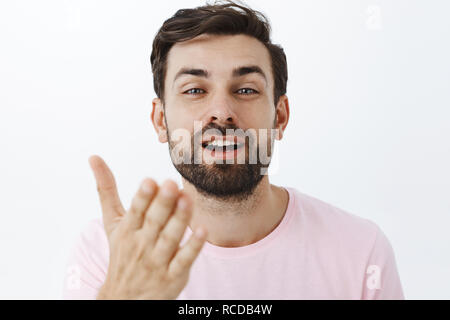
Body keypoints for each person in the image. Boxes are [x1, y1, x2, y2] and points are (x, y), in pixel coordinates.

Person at [62, 0, 405, 299]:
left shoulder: (361, 251)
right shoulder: (110, 252)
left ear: (280, 116)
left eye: (246, 90)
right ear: (161, 121)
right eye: (195, 90)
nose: (223, 111)